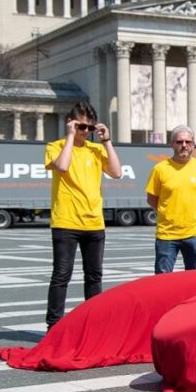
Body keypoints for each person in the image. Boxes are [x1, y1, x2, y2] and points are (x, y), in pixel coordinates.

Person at [44, 102, 122, 328]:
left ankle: (94, 323)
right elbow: (63, 166)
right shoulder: (55, 146)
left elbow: (116, 172)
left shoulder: (96, 150)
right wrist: (70, 137)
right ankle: (54, 325)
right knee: (61, 275)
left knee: (94, 276)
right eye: (80, 125)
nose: (84, 131)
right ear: (70, 123)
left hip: (94, 222)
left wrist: (107, 141)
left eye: (88, 127)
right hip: (66, 221)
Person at [145, 126, 196, 273]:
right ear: (172, 144)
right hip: (167, 234)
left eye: (187, 141)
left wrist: (194, 212)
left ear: (193, 144)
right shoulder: (160, 169)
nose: (184, 145)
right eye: (179, 142)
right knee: (162, 279)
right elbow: (152, 198)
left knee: (194, 278)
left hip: (195, 233)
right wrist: (168, 213)